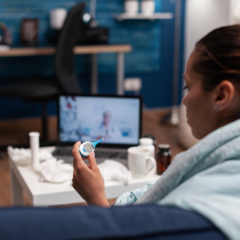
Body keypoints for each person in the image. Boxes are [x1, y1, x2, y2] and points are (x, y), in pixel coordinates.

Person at [72, 25, 240, 240]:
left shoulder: (201, 205)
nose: (185, 100)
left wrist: (96, 197)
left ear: (221, 95)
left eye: (187, 87)